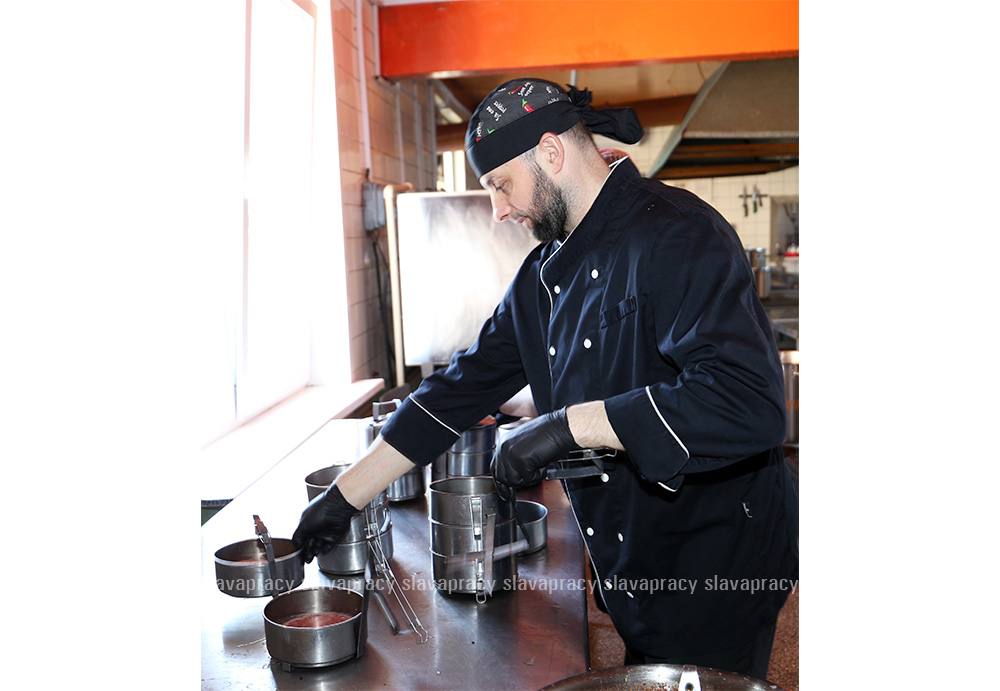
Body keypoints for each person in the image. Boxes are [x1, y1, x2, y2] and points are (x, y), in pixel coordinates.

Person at [293, 77, 799, 680]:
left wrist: (567, 427)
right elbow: (457, 389)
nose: (499, 210)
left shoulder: (678, 233)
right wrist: (345, 496)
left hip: (715, 563)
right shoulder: (541, 277)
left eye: (500, 184)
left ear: (552, 152)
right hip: (631, 558)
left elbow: (747, 402)